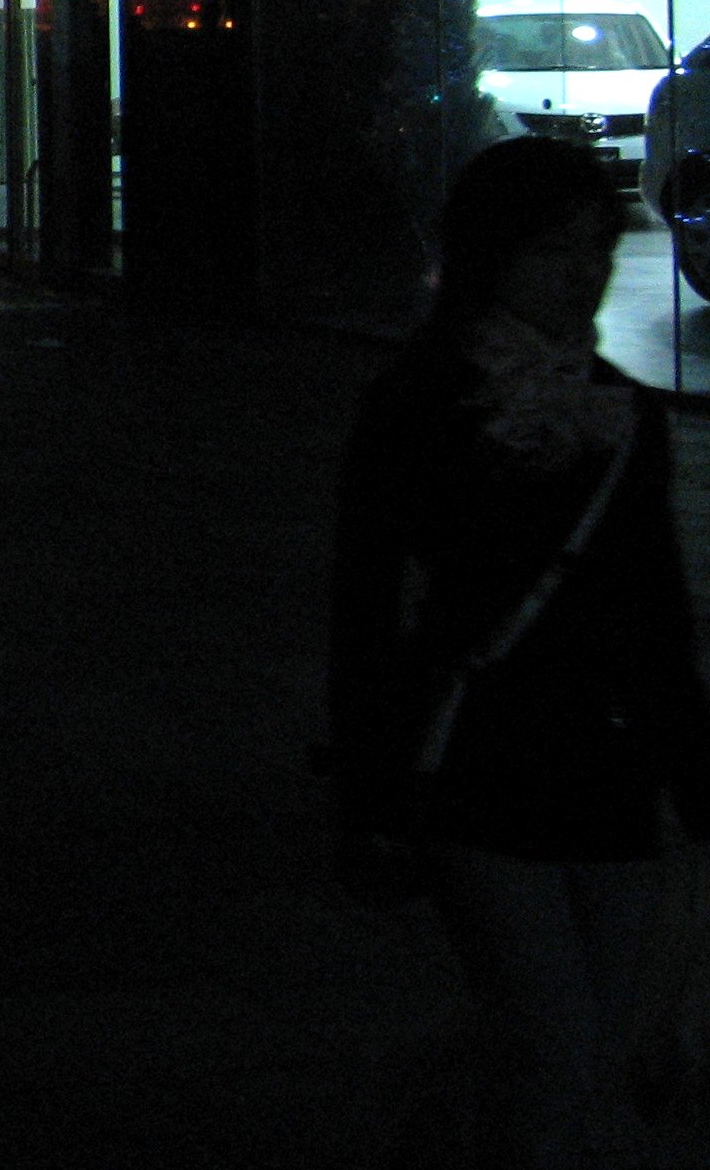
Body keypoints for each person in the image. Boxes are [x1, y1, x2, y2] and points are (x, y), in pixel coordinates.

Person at [329, 136, 710, 1169]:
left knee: (599, 1037)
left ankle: (450, 1111)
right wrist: (368, 789)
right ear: (489, 255)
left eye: (597, 248)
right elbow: (366, 609)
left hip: (611, 768)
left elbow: (656, 606)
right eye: (552, 250)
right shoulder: (420, 403)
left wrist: (691, 764)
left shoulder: (619, 409)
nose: (583, 275)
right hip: (485, 766)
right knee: (555, 1043)